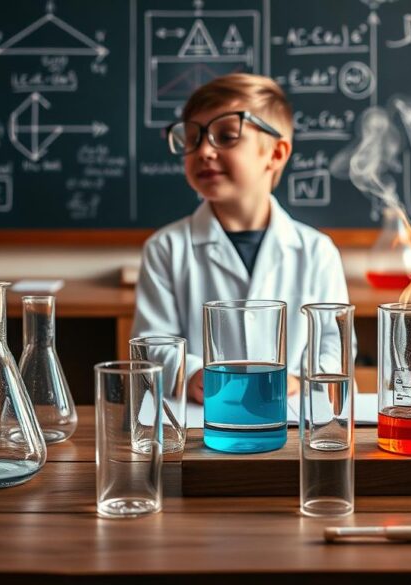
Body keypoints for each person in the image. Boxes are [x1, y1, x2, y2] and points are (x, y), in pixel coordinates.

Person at [131, 73, 351, 403]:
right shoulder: (165, 249)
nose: (203, 150)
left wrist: (297, 380)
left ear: (275, 154)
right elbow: (150, 344)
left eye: (226, 136)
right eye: (192, 138)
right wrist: (191, 373)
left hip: (290, 421)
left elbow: (334, 343)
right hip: (201, 423)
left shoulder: (317, 251)